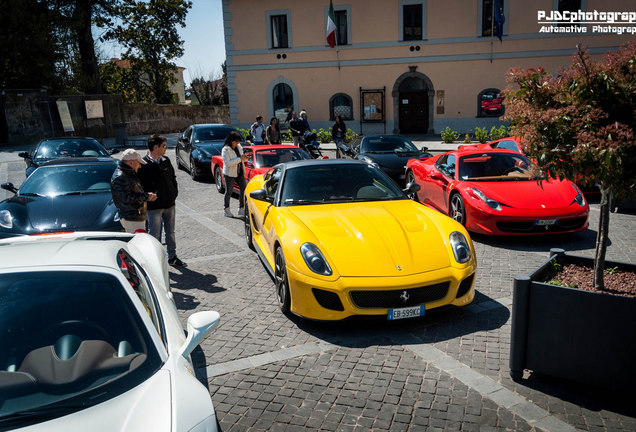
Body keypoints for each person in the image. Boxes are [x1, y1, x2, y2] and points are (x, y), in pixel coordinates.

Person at [137, 134, 186, 267]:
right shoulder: (143, 164)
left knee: (170, 232)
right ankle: (156, 260)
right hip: (154, 207)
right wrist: (147, 196)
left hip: (169, 204)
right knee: (154, 234)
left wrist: (173, 194)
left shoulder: (166, 160)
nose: (166, 148)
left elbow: (173, 178)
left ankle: (172, 257)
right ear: (155, 147)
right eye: (163, 146)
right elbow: (139, 186)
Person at [111, 149, 157, 233]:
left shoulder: (128, 174)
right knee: (138, 243)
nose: (139, 166)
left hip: (135, 217)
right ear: (131, 163)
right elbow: (125, 199)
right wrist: (146, 196)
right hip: (131, 218)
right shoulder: (121, 177)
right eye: (138, 163)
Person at [222, 131, 250, 218]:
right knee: (229, 191)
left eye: (238, 141)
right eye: (236, 141)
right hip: (230, 173)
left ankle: (241, 208)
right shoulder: (225, 149)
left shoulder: (239, 147)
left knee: (243, 189)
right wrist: (240, 159)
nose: (237, 143)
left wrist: (245, 158)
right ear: (231, 140)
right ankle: (226, 209)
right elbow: (228, 163)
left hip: (240, 172)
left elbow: (241, 159)